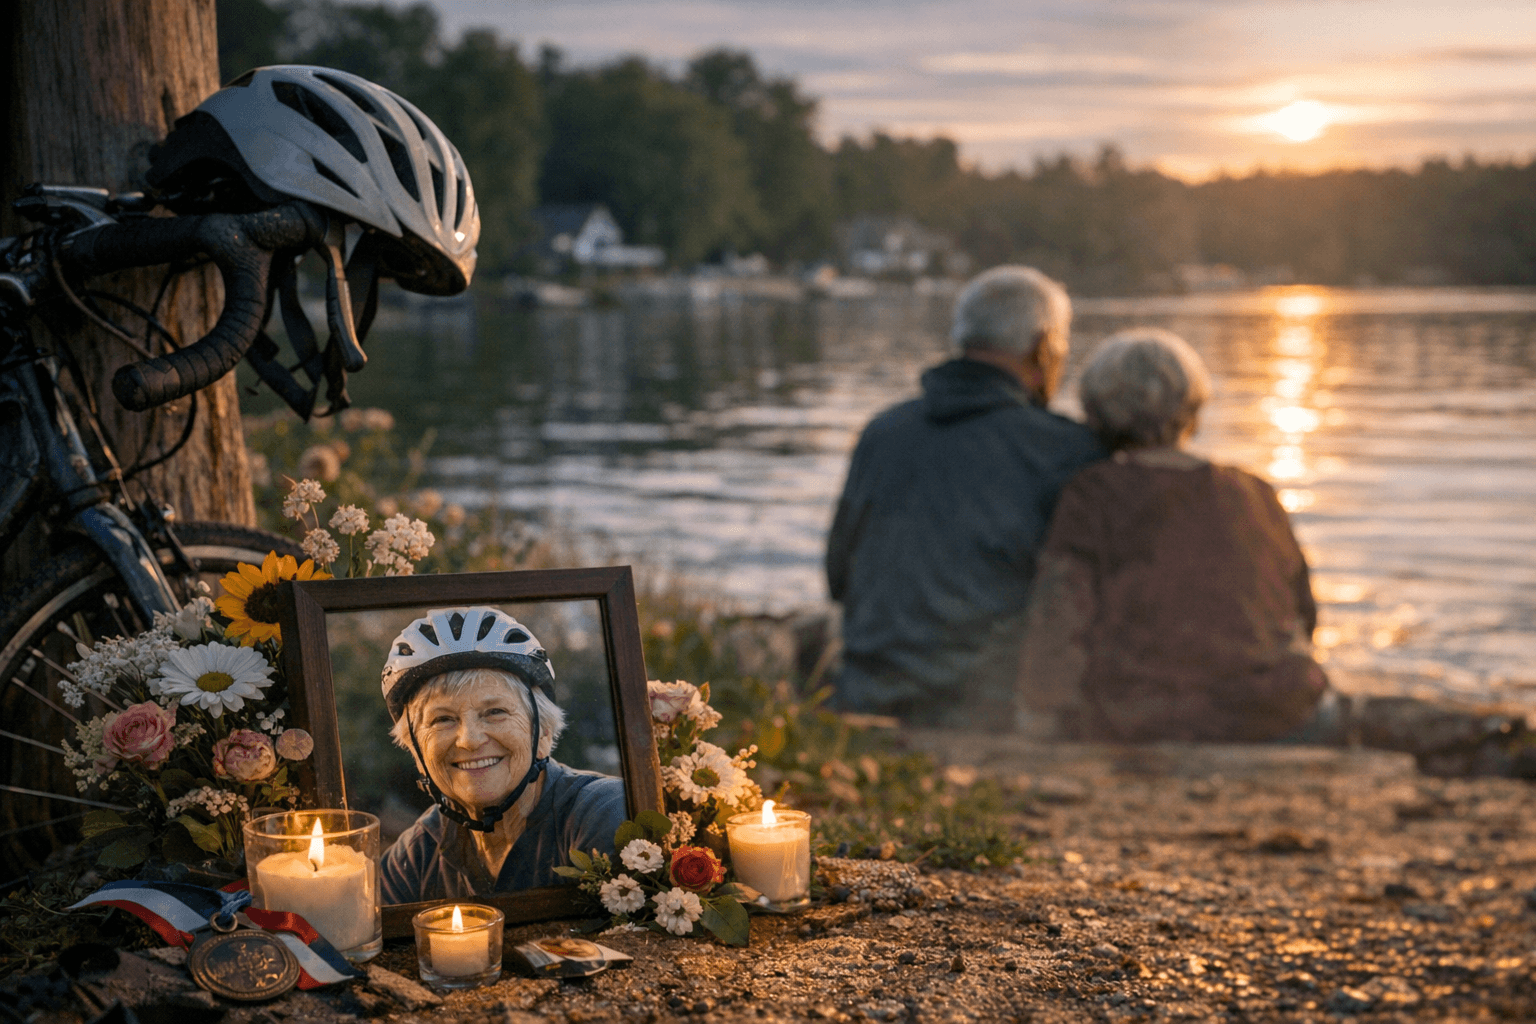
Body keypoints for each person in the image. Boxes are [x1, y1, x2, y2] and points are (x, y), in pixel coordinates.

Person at [1017, 328, 1331, 742]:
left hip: (1143, 717)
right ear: (1193, 408)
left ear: (1095, 414)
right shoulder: (1253, 492)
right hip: (1269, 710)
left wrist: (1040, 716)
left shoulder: (1093, 494)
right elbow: (1303, 613)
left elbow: (1059, 619)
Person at [826, 266, 1105, 729]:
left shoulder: (882, 432)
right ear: (1043, 348)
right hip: (986, 712)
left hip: (864, 694)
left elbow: (838, 576)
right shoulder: (1066, 450)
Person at [377, 607, 625, 903]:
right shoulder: (414, 857)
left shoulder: (605, 813)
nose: (469, 740)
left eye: (495, 712)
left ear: (543, 733)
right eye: (442, 719)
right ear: (416, 750)